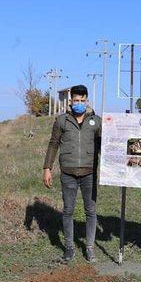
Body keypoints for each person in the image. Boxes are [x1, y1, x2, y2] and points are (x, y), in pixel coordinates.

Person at [43, 85, 101, 263]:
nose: (79, 104)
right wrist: (47, 168)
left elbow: (103, 146)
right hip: (68, 173)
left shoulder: (96, 121)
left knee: (90, 211)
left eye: (82, 101)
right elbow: (53, 144)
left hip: (89, 173)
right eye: (76, 100)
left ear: (87, 101)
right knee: (68, 211)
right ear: (71, 101)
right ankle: (69, 248)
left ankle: (89, 248)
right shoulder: (62, 120)